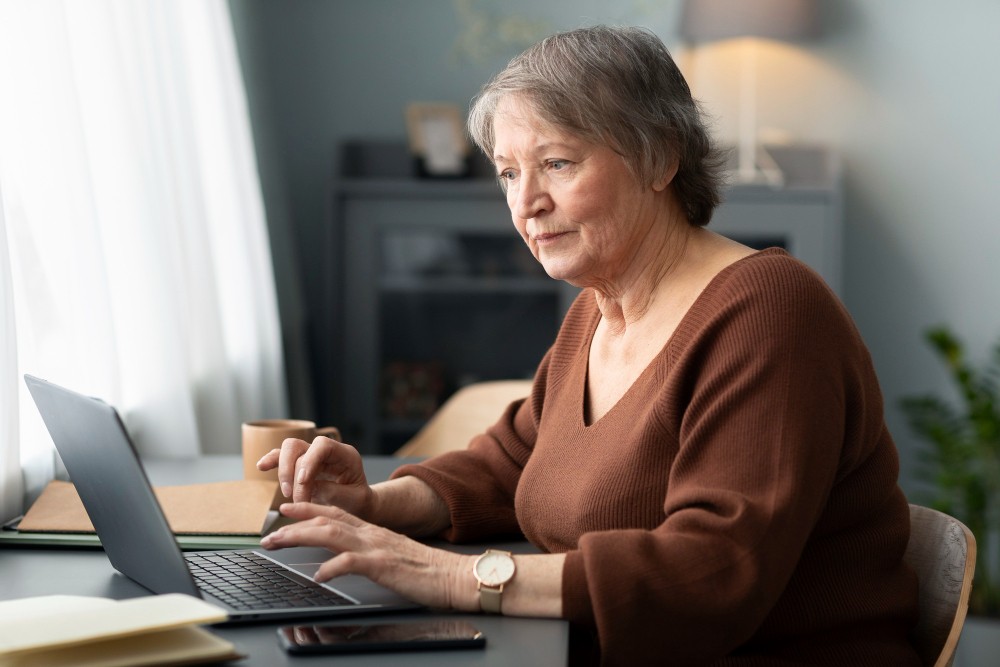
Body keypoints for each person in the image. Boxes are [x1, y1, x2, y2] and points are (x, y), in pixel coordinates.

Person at [258, 25, 920, 665]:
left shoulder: (771, 311)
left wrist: (462, 578)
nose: (526, 204)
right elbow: (512, 459)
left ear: (660, 157)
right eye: (509, 172)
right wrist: (376, 503)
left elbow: (714, 572)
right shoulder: (595, 312)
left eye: (556, 163)